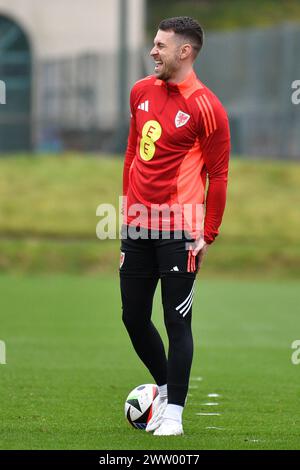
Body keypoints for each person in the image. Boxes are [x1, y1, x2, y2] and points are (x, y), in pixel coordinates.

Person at [119, 16, 230, 436]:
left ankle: (175, 416)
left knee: (176, 321)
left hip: (179, 228)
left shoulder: (207, 107)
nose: (153, 51)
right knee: (132, 316)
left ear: (184, 52)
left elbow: (218, 175)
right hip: (138, 225)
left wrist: (209, 232)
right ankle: (164, 388)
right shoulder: (141, 92)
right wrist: (127, 212)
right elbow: (132, 153)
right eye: (154, 43)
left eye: (160, 45)